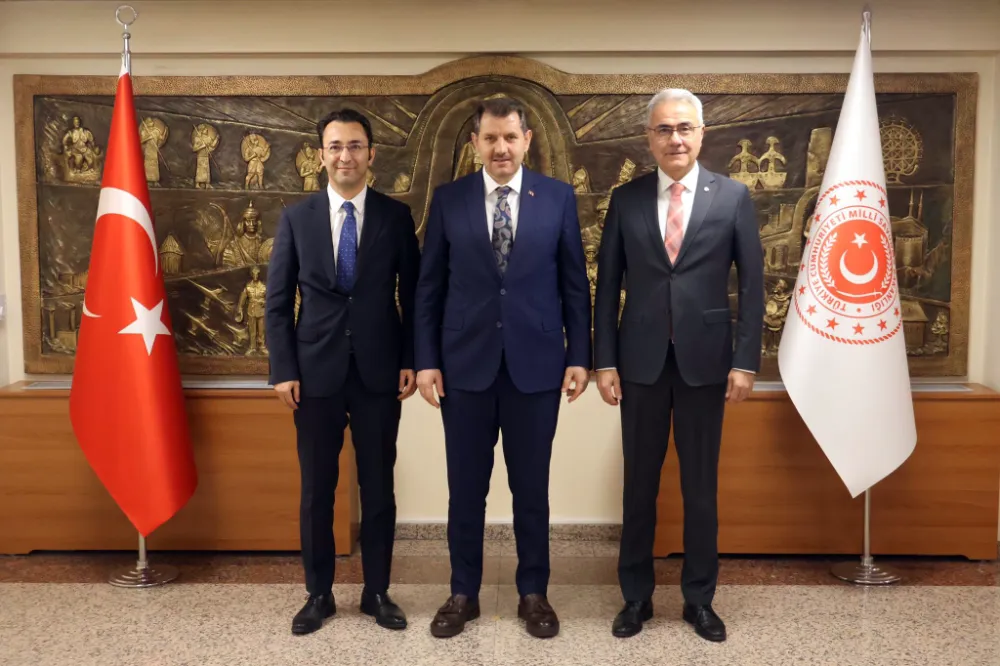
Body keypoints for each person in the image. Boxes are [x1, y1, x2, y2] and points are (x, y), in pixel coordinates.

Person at [414, 96, 592, 639]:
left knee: (531, 490)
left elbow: (574, 285)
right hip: (463, 368)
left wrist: (579, 356)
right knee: (466, 490)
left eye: (510, 137)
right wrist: (426, 362)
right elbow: (429, 288)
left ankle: (533, 592)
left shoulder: (557, 198)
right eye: (490, 138)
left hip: (536, 368)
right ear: (475, 143)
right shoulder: (450, 200)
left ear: (526, 140)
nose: (501, 148)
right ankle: (462, 592)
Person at [593, 88, 764, 642]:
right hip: (639, 363)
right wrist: (604, 361)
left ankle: (700, 599)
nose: (675, 138)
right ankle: (635, 598)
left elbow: (753, 286)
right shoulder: (626, 199)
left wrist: (745, 361)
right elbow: (607, 287)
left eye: (684, 128)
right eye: (664, 129)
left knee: (700, 489)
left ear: (701, 134)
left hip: (706, 363)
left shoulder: (733, 197)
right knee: (638, 487)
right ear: (649, 138)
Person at [265, 108, 420, 635]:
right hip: (314, 376)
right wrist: (283, 369)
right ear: (320, 156)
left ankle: (377, 592)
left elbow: (414, 296)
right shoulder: (297, 218)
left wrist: (410, 359)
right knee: (317, 490)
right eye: (335, 146)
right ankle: (319, 594)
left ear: (371, 154)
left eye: (355, 146)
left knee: (378, 488)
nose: (345, 156)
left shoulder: (396, 217)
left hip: (380, 373)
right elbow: (277, 302)